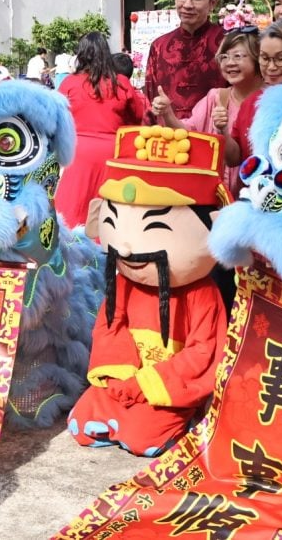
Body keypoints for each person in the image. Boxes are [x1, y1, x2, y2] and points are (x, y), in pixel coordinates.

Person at [68, 128, 228, 456]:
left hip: (168, 387)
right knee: (85, 420)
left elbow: (203, 352)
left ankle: (168, 417)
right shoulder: (125, 282)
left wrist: (146, 383)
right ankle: (122, 404)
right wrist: (121, 379)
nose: (126, 247)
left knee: (142, 438)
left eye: (156, 227)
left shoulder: (201, 293)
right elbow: (111, 326)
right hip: (127, 378)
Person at [153, 28, 263, 197]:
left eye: (238, 56)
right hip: (221, 197)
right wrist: (168, 112)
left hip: (261, 195)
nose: (229, 63)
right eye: (224, 57)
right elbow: (189, 133)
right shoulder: (217, 98)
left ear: (258, 59)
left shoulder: (271, 100)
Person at [56, 31, 145, 228]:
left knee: (71, 213)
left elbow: (56, 118)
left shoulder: (70, 82)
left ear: (80, 54)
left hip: (78, 152)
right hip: (113, 153)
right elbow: (139, 115)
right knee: (108, 214)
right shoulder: (120, 82)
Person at [143, 0, 226, 121]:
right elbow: (150, 101)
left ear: (213, 3)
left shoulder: (228, 44)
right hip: (168, 140)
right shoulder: (159, 47)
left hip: (214, 139)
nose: (187, 4)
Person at [230, 19, 282, 165]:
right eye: (265, 58)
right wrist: (222, 130)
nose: (271, 67)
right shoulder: (251, 103)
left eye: (281, 59)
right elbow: (235, 160)